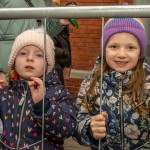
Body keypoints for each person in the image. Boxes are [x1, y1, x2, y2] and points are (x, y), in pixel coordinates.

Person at [74, 18, 150, 150]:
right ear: (104, 49)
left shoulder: (148, 84)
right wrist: (90, 129)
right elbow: (77, 121)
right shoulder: (91, 83)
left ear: (140, 51)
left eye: (131, 47)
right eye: (114, 46)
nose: (121, 54)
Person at [0, 28, 76, 150]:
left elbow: (67, 130)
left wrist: (43, 105)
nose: (30, 58)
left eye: (39, 55)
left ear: (48, 64)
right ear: (14, 61)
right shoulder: (6, 92)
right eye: (23, 53)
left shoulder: (58, 92)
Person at [0, 0, 70, 85]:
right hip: (5, 72)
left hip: (31, 75)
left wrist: (59, 23)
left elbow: (40, 33)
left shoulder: (39, 1)